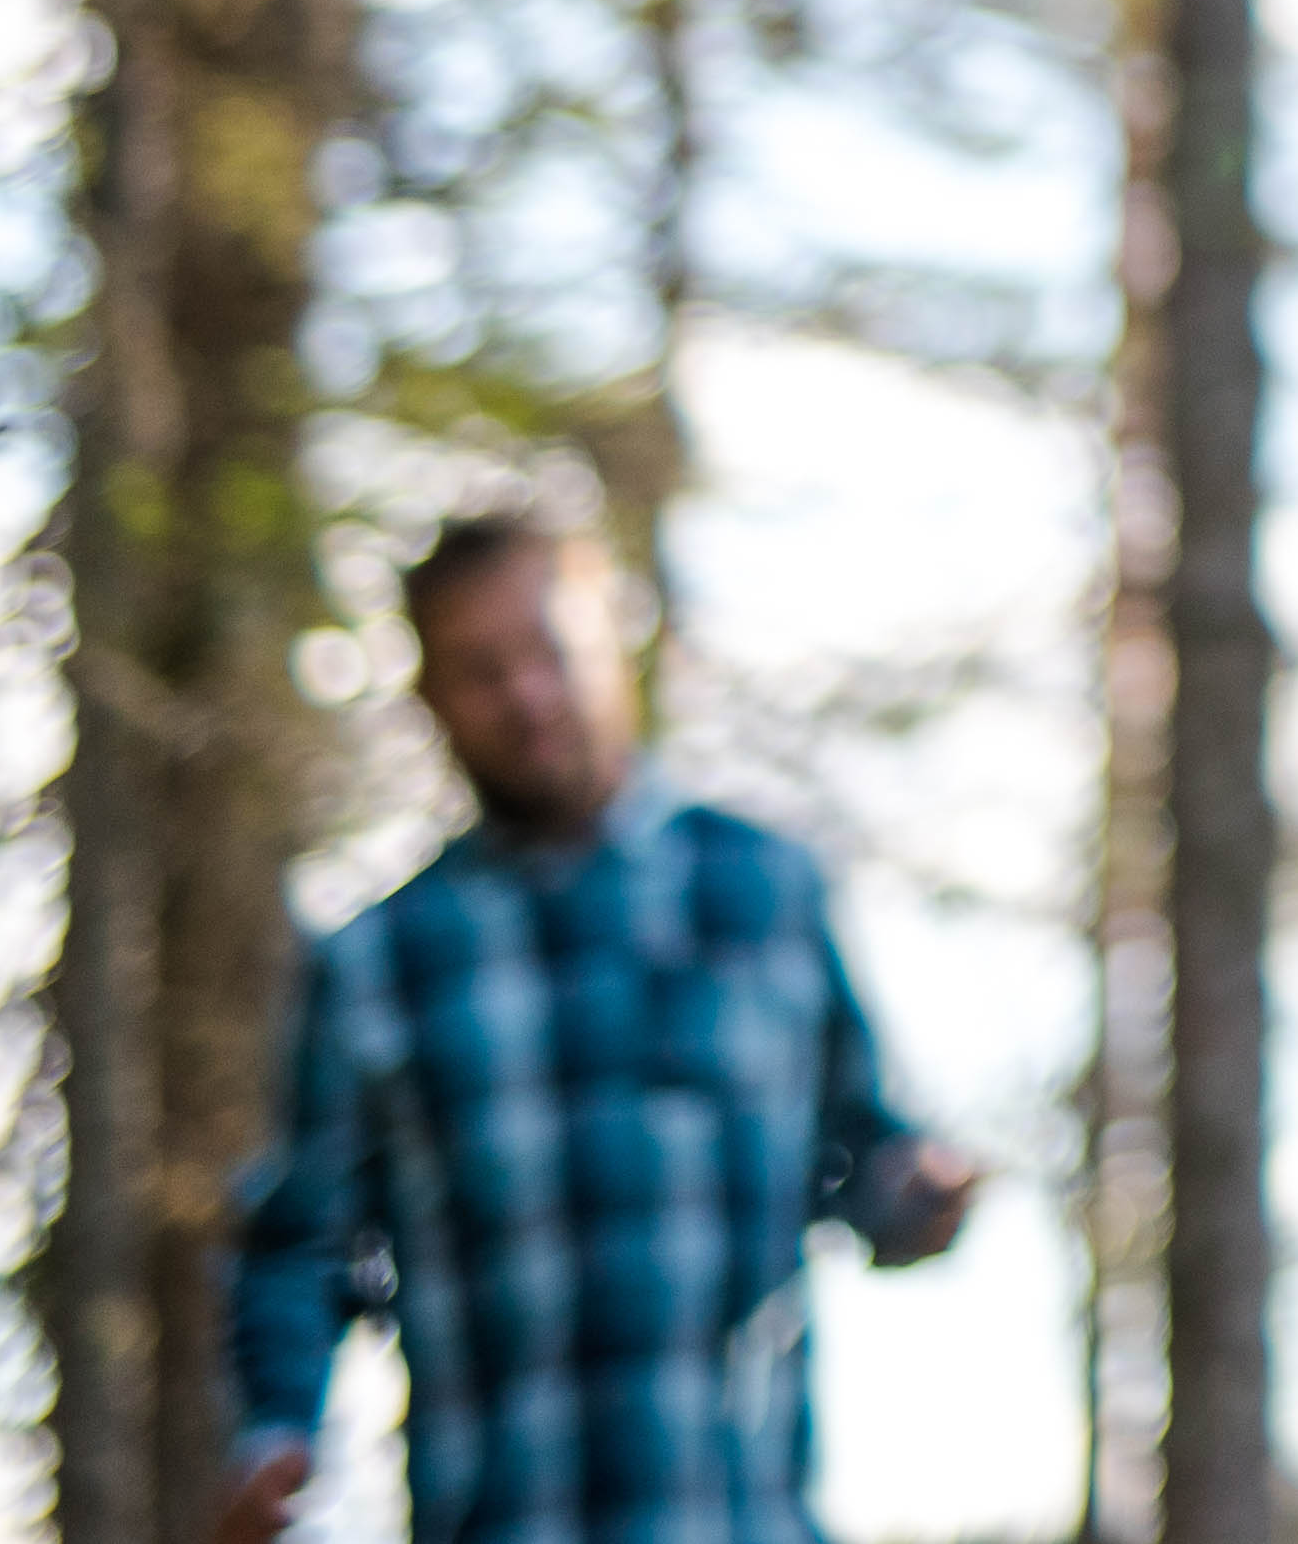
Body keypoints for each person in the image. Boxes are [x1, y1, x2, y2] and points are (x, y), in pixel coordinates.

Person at [220, 512, 982, 1544]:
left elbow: (862, 1155)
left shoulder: (765, 889)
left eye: (548, 651)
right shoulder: (377, 959)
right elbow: (298, 1244)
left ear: (612, 643)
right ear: (432, 699)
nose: (527, 696)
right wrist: (275, 1428)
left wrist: (916, 1194)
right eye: (482, 670)